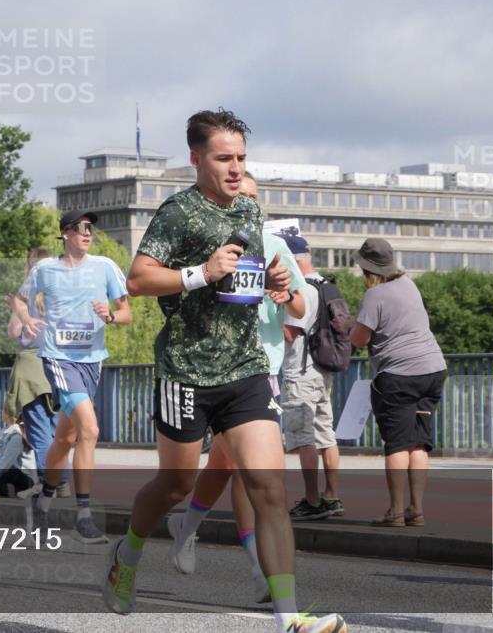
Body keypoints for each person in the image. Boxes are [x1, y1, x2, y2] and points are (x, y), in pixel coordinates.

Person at [102, 108, 345, 633]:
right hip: (186, 371)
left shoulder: (251, 214)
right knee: (175, 485)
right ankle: (129, 551)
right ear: (196, 159)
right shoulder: (178, 213)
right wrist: (200, 273)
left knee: (269, 489)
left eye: (241, 158)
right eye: (223, 158)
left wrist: (278, 282)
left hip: (246, 369)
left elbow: (251, 282)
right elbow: (138, 279)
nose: (235, 168)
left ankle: (288, 619)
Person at [168, 172, 306, 605]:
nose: (245, 205)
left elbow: (302, 307)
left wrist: (285, 295)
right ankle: (256, 567)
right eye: (238, 196)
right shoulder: (210, 246)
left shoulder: (276, 247)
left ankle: (188, 531)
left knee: (233, 469)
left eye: (253, 199)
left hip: (263, 368)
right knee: (243, 472)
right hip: (218, 369)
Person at [13, 209, 132, 544]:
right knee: (89, 430)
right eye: (80, 228)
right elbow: (20, 301)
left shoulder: (105, 266)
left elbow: (126, 313)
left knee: (65, 438)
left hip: (91, 361)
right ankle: (83, 517)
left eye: (90, 228)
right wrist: (28, 318)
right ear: (65, 233)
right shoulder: (45, 269)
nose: (87, 233)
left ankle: (43, 501)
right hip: (58, 358)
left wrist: (110, 316)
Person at [349, 238, 446, 528]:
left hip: (399, 376)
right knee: (419, 444)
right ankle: (416, 509)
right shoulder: (409, 285)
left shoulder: (374, 295)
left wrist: (348, 327)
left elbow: (359, 339)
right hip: (433, 369)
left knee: (397, 445)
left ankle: (395, 512)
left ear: (367, 269)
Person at [281, 233, 344, 522]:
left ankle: (312, 500)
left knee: (303, 438)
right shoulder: (325, 285)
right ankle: (331, 495)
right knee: (325, 435)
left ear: (292, 261)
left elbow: (289, 333)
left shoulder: (300, 291)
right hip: (322, 369)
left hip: (300, 371)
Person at [4, 247, 69, 497]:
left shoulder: (27, 293)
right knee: (58, 430)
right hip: (60, 366)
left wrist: (14, 307)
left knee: (39, 430)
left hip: (32, 367)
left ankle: (49, 483)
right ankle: (63, 482)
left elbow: (13, 331)